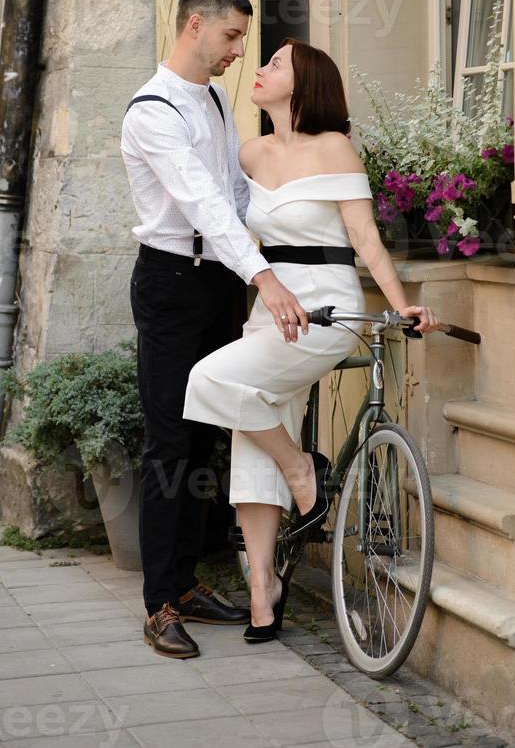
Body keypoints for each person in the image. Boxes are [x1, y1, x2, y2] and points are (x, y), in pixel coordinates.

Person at [184, 37, 440, 642]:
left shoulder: (334, 148)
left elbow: (366, 241)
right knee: (252, 440)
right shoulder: (248, 154)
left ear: (301, 85)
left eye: (275, 62)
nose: (261, 66)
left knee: (209, 380)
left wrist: (402, 306)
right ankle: (263, 592)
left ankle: (302, 470)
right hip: (268, 315)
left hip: (325, 313)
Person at [121, 0, 310, 660]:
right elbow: (202, 202)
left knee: (207, 439)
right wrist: (263, 274)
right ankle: (160, 605)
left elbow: (234, 192)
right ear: (195, 25)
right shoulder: (151, 111)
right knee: (170, 441)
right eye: (231, 36)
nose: (238, 51)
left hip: (220, 286)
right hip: (172, 283)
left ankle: (189, 580)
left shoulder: (214, 98)